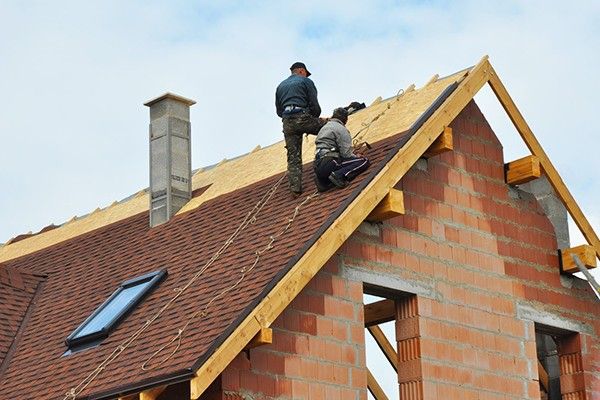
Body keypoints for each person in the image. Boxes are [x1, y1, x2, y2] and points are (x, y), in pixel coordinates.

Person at [275, 62, 326, 195]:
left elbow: (279, 111)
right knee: (330, 129)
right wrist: (314, 118)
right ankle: (334, 161)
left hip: (287, 122)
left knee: (293, 157)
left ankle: (295, 189)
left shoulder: (280, 86)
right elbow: (315, 106)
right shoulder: (306, 81)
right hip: (302, 116)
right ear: (302, 71)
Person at [313, 108, 370, 192]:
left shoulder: (324, 128)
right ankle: (338, 175)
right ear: (345, 120)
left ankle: (323, 181)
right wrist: (355, 156)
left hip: (318, 165)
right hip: (330, 162)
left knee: (333, 167)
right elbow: (346, 154)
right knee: (363, 161)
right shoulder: (341, 129)